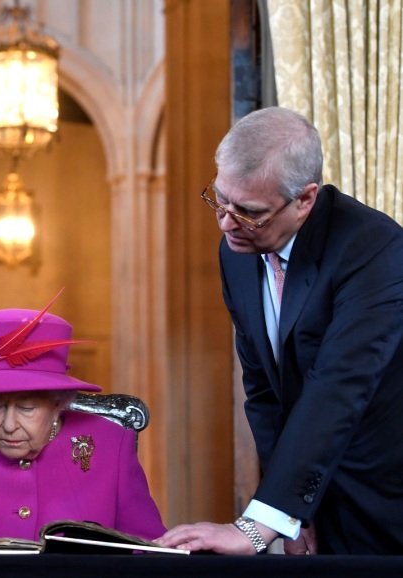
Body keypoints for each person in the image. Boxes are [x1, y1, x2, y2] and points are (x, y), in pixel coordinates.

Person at [156, 107, 403, 555]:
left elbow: (338, 389)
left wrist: (257, 526)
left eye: (250, 212)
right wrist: (291, 513)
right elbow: (265, 392)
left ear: (305, 199)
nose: (228, 222)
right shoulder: (236, 252)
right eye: (219, 200)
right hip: (307, 488)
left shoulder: (375, 248)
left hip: (382, 493)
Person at [0, 295, 165, 541]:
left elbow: (149, 549)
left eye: (27, 408)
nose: (9, 426)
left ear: (57, 404)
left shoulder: (111, 445)